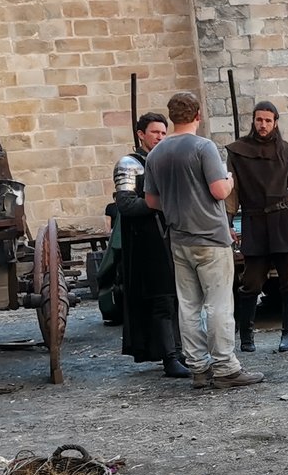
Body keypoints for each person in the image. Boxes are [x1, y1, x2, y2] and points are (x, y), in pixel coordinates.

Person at [144, 91, 262, 387]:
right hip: (210, 236)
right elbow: (219, 191)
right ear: (198, 115)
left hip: (178, 238)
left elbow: (150, 200)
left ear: (171, 117)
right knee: (219, 304)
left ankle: (198, 367)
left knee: (188, 306)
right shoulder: (203, 147)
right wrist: (230, 180)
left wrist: (177, 203)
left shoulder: (156, 153)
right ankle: (225, 367)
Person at [102, 112, 187, 377]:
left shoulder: (165, 159)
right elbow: (125, 205)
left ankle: (179, 351)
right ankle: (169, 357)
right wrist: (159, 204)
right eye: (154, 133)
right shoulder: (129, 164)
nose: (160, 137)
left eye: (163, 133)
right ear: (141, 134)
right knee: (161, 298)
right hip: (145, 241)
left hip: (171, 237)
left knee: (176, 298)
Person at [226, 101, 288, 353]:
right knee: (251, 281)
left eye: (267, 120)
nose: (262, 125)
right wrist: (227, 223)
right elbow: (233, 193)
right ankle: (247, 336)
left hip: (285, 220)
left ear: (275, 122)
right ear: (253, 121)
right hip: (254, 221)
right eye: (258, 120)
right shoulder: (238, 152)